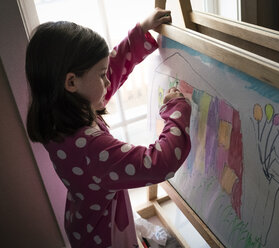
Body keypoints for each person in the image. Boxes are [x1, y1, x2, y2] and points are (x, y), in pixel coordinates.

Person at [25, 8, 191, 248]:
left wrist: (140, 31)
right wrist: (177, 110)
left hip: (87, 223)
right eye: (101, 75)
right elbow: (159, 163)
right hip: (106, 238)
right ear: (71, 82)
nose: (107, 82)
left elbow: (110, 70)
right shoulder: (90, 148)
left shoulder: (59, 111)